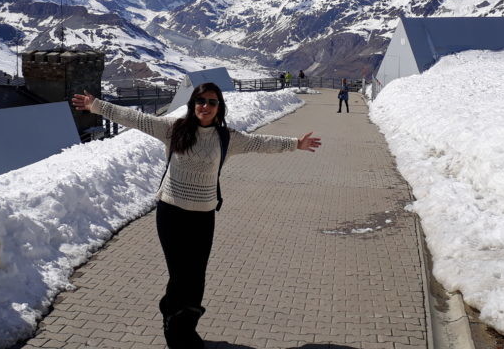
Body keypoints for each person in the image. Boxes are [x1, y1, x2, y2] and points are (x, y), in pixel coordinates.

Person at [72, 83, 320, 349]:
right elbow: (137, 118)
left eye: (212, 102)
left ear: (219, 107)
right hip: (171, 214)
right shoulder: (173, 128)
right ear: (192, 104)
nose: (205, 106)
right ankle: (174, 326)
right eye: (200, 100)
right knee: (180, 275)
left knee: (196, 277)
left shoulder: (227, 138)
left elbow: (261, 142)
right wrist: (96, 106)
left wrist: (296, 144)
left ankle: (185, 326)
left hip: (203, 216)